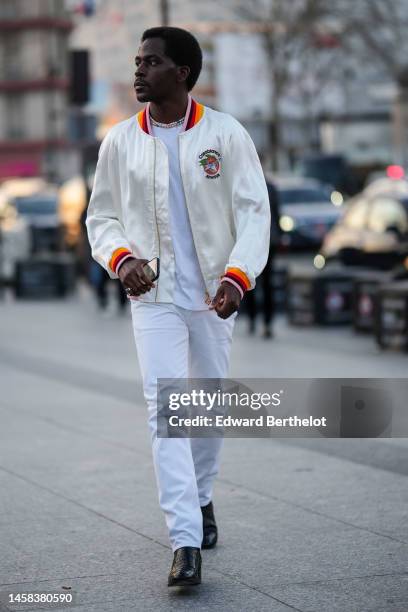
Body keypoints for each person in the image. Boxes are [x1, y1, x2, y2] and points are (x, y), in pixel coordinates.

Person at [86, 26, 270, 587]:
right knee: (165, 411)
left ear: (182, 73)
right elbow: (101, 217)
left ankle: (204, 496)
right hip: (154, 301)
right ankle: (184, 540)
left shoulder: (226, 134)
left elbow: (254, 212)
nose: (138, 71)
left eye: (151, 62)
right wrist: (122, 259)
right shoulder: (120, 140)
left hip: (214, 297)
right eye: (138, 62)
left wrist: (239, 278)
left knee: (208, 406)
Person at [245, 181, 281, 338]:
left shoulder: (250, 185)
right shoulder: (269, 186)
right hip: (265, 240)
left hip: (259, 240)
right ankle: (262, 321)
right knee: (263, 284)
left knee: (255, 283)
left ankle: (259, 320)